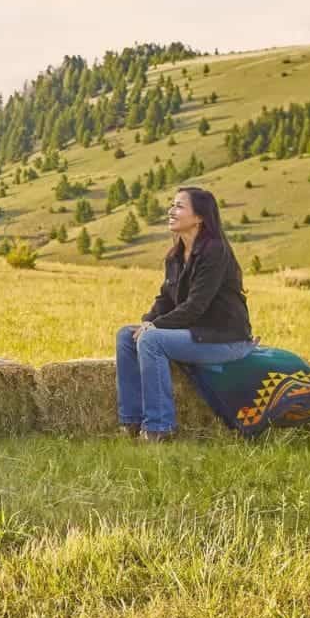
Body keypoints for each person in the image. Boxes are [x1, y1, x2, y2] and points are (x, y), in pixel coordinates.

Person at [116, 186, 256, 441]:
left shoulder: (214, 251)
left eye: (179, 206)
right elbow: (165, 299)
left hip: (223, 339)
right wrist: (148, 321)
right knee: (127, 336)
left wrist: (154, 328)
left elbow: (195, 306)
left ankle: (158, 429)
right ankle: (131, 423)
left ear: (200, 217)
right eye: (172, 204)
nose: (171, 210)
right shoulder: (176, 255)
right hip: (196, 335)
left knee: (151, 339)